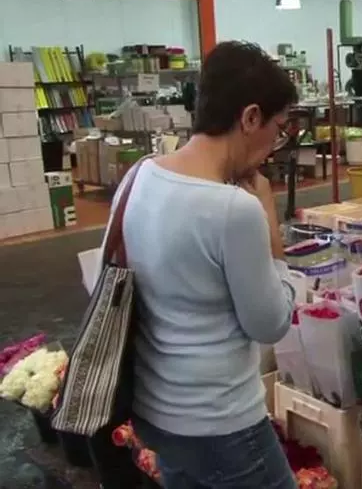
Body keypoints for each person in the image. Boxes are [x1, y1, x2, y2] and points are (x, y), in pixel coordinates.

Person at [104, 41, 299, 488]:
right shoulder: (234, 209)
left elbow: (109, 277)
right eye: (279, 127)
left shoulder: (138, 177)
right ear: (250, 118)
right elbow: (270, 323)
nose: (275, 144)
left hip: (154, 413)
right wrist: (270, 220)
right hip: (221, 422)